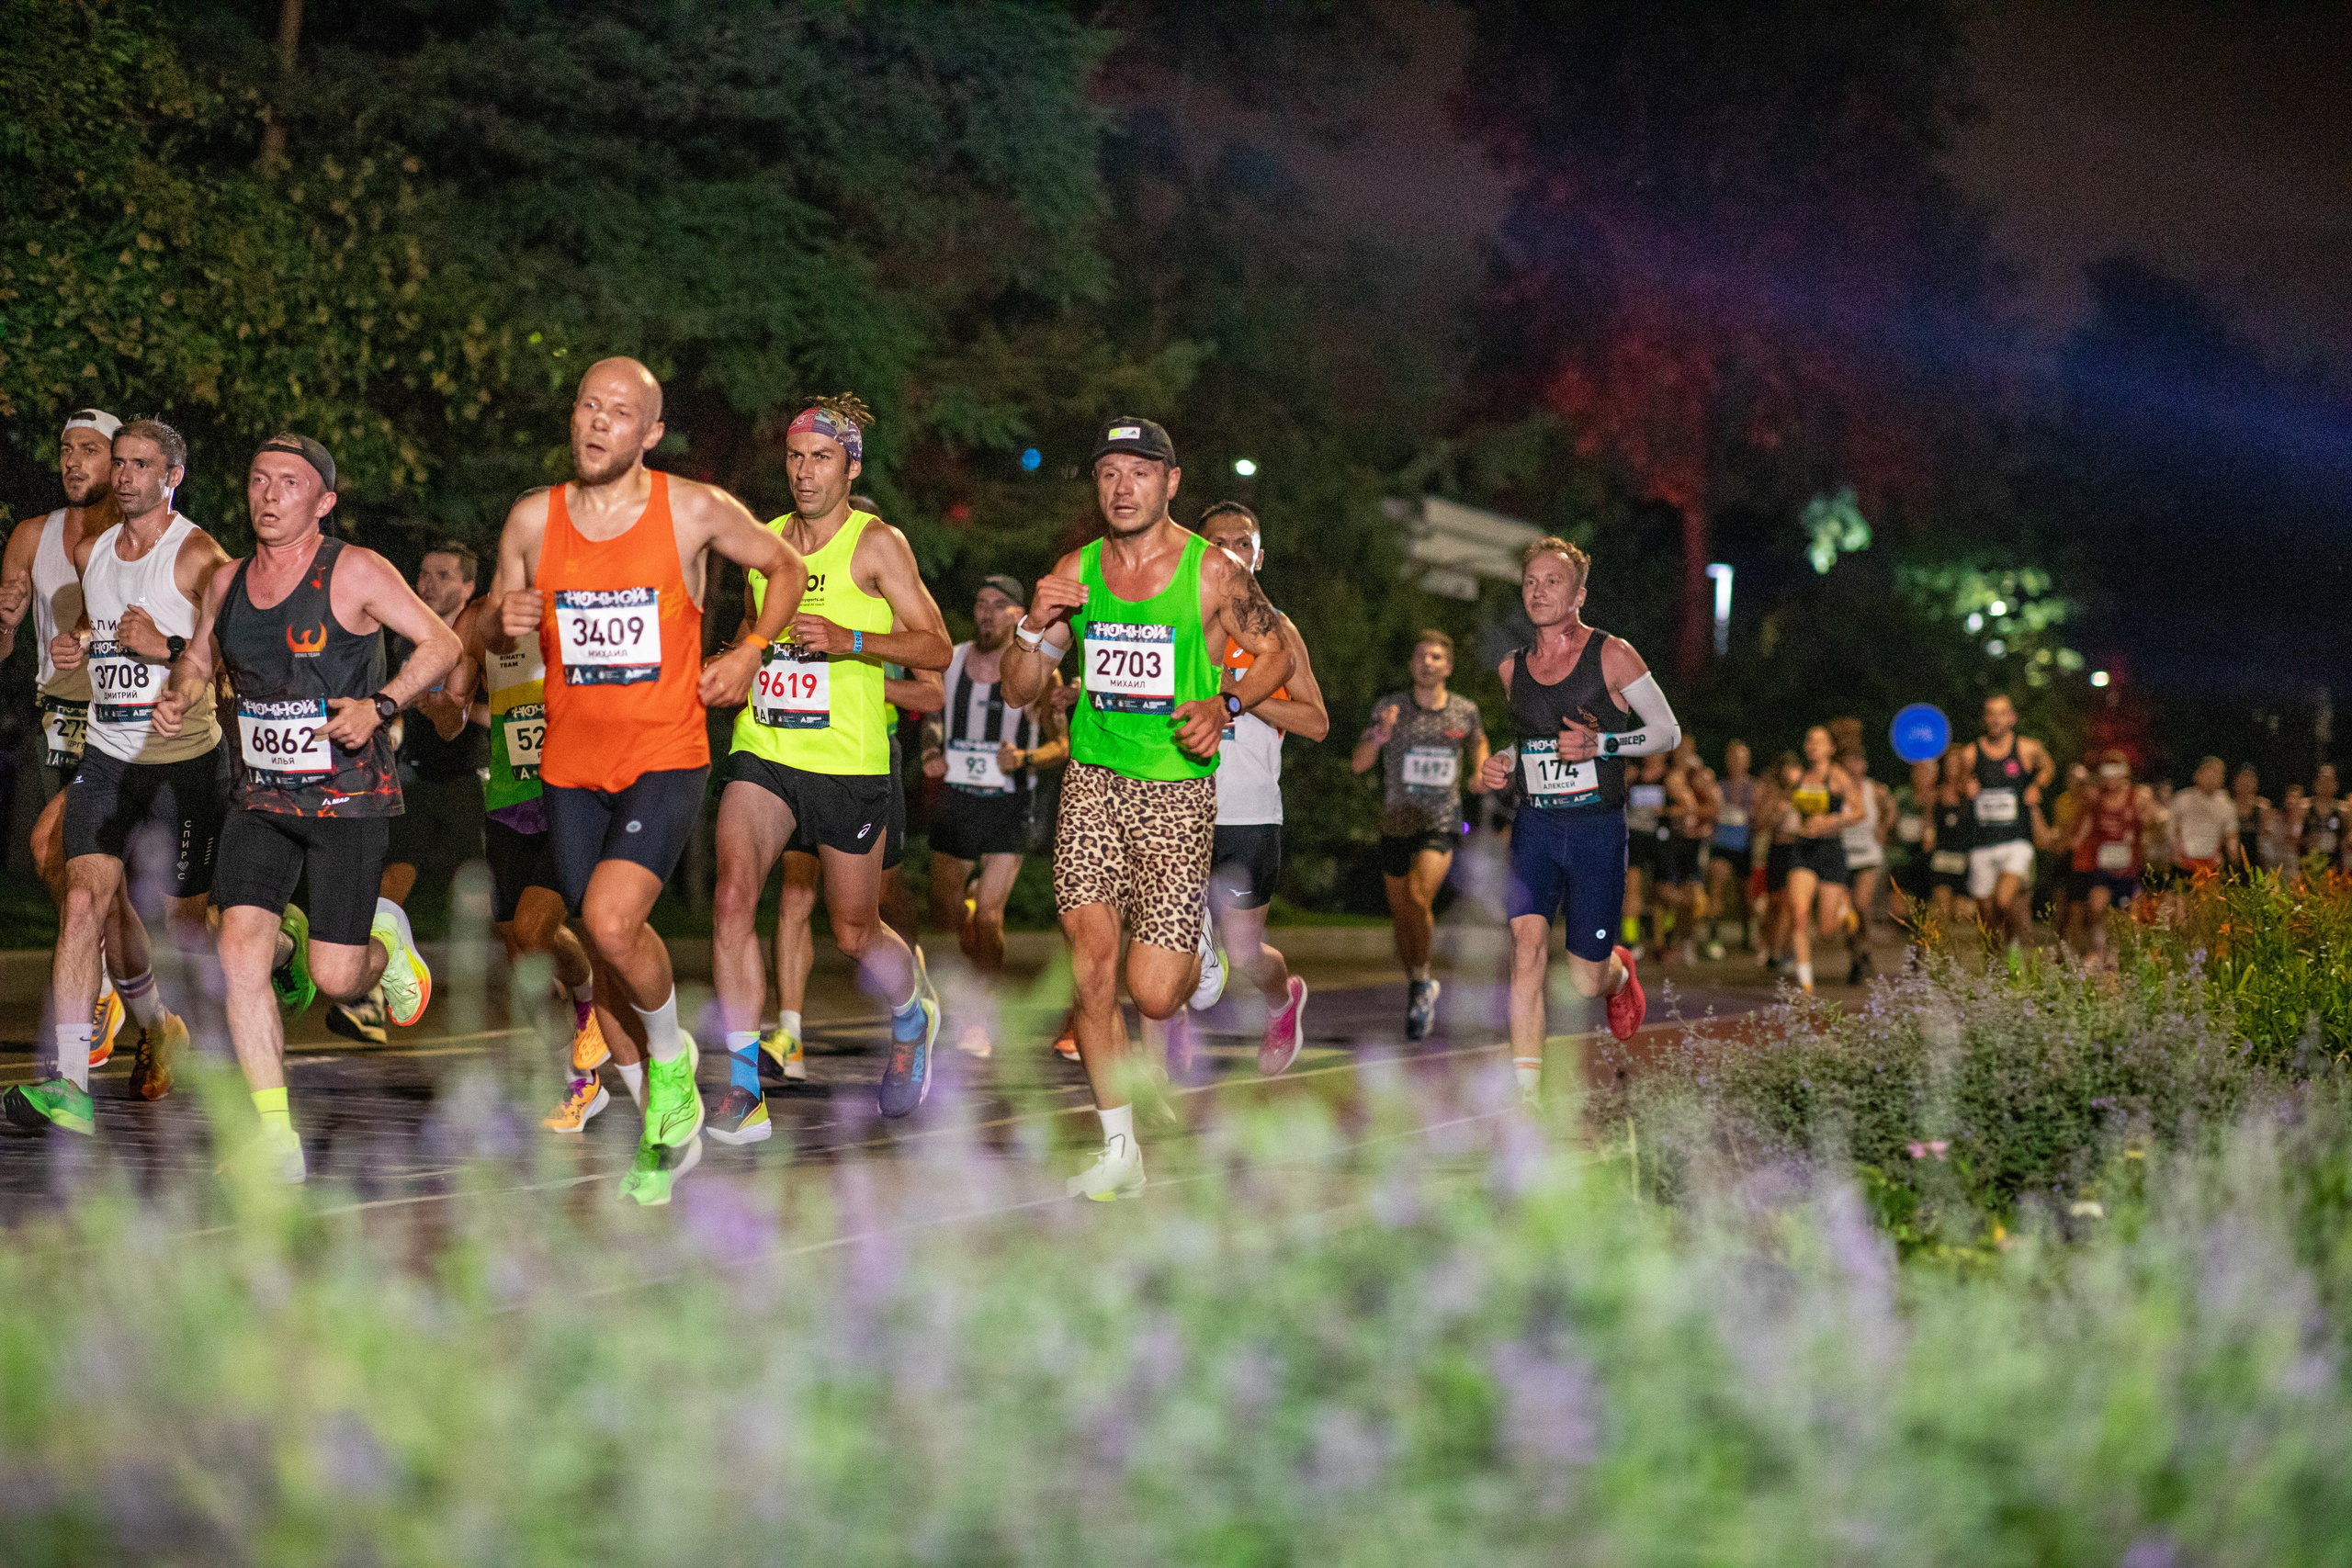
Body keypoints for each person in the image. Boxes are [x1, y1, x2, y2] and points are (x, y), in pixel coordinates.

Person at [489, 358, 802, 1204]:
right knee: (600, 948)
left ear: (650, 433)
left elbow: (786, 568)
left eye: (620, 412)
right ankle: (665, 1134)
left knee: (609, 917)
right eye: (589, 405)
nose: (598, 423)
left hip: (665, 752)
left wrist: (746, 652)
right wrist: (501, 618)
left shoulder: (691, 508)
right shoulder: (531, 518)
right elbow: (492, 623)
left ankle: (672, 1059)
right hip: (568, 763)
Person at [1000, 415, 1293, 1200]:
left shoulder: (1211, 573)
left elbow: (1277, 654)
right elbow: (1020, 690)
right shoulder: (1078, 570)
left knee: (1156, 991)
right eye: (1107, 473)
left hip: (1176, 790)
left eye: (1138, 472)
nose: (1121, 487)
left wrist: (1224, 705)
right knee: (1092, 970)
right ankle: (1118, 1148)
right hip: (1093, 780)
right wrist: (1034, 622)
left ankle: (1202, 952)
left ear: (1170, 482)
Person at [150, 433, 456, 1180]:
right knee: (238, 948)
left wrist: (381, 704)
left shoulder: (354, 570)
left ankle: (386, 942)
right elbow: (200, 656)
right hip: (260, 796)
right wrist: (183, 688)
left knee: (337, 979)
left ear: (323, 501)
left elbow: (441, 642)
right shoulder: (224, 582)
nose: (269, 493)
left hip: (346, 799)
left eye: (289, 482)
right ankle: (274, 1137)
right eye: (259, 479)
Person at [707, 396, 949, 1147]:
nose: (805, 472)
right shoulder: (764, 542)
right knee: (733, 896)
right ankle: (744, 1089)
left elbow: (938, 648)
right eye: (795, 457)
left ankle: (914, 1018)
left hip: (848, 762)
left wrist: (852, 638)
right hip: (768, 749)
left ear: (851, 467)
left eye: (821, 458)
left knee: (852, 931)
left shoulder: (876, 545)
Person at [2, 418, 227, 1136]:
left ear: (173, 476)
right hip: (106, 759)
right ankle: (69, 1082)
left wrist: (170, 654)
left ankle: (278, 945)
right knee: (81, 902)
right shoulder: (96, 553)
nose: (125, 475)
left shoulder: (198, 555)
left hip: (183, 764)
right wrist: (79, 647)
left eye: (141, 464)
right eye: (120, 463)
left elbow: (233, 656)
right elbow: (106, 650)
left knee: (189, 925)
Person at [1473, 536, 1668, 1100]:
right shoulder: (1513, 668)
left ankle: (1619, 975)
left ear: (1579, 594)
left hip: (1595, 830)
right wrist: (1503, 763)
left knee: (1585, 979)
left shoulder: (1612, 654)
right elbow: (1528, 742)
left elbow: (1666, 730)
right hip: (1535, 826)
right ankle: (1526, 1098)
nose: (1538, 591)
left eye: (1552, 582)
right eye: (1530, 581)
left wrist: (1603, 744)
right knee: (1527, 949)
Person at [428, 590, 623, 1134]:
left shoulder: (585, 606)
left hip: (574, 797)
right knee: (518, 947)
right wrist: (441, 705)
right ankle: (577, 1082)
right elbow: (452, 718)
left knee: (537, 929)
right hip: (511, 799)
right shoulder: (480, 619)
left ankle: (588, 1011)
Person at [0, 409, 130, 1070]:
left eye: (89, 449)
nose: (73, 460)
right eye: (65, 449)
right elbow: (5, 637)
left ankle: (105, 991)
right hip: (62, 720)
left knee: (55, 845)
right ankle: (118, 986)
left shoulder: (137, 535)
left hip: (125, 722)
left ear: (117, 461)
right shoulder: (31, 534)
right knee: (69, 868)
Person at [1182, 502, 1328, 1076]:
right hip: (1178, 801)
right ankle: (1169, 1041)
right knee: (1167, 943)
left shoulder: (1279, 630)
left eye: (1241, 542)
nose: (1228, 552)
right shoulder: (1176, 623)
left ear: (1259, 557)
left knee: (1242, 954)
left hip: (1248, 811)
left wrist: (1236, 692)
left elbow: (1316, 722)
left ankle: (1280, 998)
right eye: (1215, 542)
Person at [324, 539, 485, 1045]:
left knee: (499, 905)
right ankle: (369, 994)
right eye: (423, 572)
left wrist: (438, 704)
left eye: (443, 574)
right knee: (394, 870)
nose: (428, 582)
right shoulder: (403, 637)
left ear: (468, 587)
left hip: (477, 775)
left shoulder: (482, 634)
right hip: (415, 773)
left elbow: (503, 711)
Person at [921, 575, 1068, 1055]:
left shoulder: (1040, 669)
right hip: (958, 800)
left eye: (999, 605)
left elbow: (1064, 745)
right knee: (947, 907)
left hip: (1009, 802)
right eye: (980, 603)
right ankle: (974, 967)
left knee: (988, 915)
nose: (986, 612)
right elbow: (932, 715)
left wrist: (1025, 758)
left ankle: (981, 1009)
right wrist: (930, 752)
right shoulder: (954, 658)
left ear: (1019, 614)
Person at [1352, 629, 1487, 1042]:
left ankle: (1422, 982)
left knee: (1416, 895)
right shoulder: (1389, 708)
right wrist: (1379, 735)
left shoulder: (1464, 711)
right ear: (1412, 664)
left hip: (1441, 821)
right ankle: (1419, 981)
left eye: (1436, 657)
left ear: (1448, 667)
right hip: (1396, 822)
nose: (1427, 663)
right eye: (1421, 656)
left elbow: (1479, 744)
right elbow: (1359, 764)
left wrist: (1481, 770)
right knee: (1403, 912)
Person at [1958, 694, 2053, 953]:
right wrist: (1966, 787)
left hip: (2016, 839)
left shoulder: (2026, 748)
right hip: (1983, 842)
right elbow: (1958, 784)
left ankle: (2012, 949)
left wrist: (2036, 785)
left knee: (2004, 901)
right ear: (1985, 718)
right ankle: (1992, 967)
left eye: (2001, 713)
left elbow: (2048, 767)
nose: (1996, 719)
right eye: (1991, 713)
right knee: (1987, 914)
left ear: (2012, 718)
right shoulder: (1970, 753)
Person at [1782, 727, 1864, 994]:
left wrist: (1831, 820)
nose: (1813, 746)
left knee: (1826, 929)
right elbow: (1790, 812)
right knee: (1800, 913)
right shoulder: (1798, 777)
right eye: (1809, 740)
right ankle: (1805, 984)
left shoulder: (1837, 776)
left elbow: (1860, 812)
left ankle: (1842, 910)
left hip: (1830, 850)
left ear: (1830, 748)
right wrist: (1787, 818)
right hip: (1803, 850)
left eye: (1819, 742)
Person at [2072, 750, 2153, 964]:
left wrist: (2152, 819)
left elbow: (2156, 820)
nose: (2111, 777)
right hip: (2103, 866)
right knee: (2096, 908)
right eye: (2107, 770)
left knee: (2128, 917)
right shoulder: (2096, 797)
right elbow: (2082, 824)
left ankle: (2118, 958)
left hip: (2130, 868)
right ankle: (2097, 952)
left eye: (2116, 770)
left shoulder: (2138, 796)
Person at [1658, 736, 1716, 964]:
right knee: (1667, 894)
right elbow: (1659, 809)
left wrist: (1691, 808)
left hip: (1694, 843)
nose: (1684, 754)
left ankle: (1687, 943)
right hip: (1671, 842)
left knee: (1691, 896)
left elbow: (1713, 809)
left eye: (1688, 750)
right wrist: (1679, 810)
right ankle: (1667, 942)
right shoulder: (1668, 777)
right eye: (1679, 749)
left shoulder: (1701, 777)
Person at [1836, 746, 1892, 982]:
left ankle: (1865, 947)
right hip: (1842, 855)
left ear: (1864, 765)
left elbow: (1890, 809)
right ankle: (1855, 957)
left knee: (1861, 905)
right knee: (1845, 914)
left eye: (1857, 762)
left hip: (1868, 855)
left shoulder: (1875, 790)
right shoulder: (1837, 789)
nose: (1853, 768)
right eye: (1848, 763)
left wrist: (1884, 827)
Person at [1703, 739, 1755, 956]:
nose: (1736, 763)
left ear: (1748, 761)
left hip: (1744, 847)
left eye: (1740, 758)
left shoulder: (1755, 787)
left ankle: (1748, 936)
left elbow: (1758, 817)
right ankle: (1714, 937)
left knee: (1746, 897)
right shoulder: (1719, 787)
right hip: (1721, 845)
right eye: (1732, 758)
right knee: (1716, 889)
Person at [1921, 747, 1976, 930]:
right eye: (1948, 764)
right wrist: (1928, 838)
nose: (1951, 768)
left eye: (1955, 764)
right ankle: (1941, 948)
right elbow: (1929, 821)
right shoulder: (1936, 792)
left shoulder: (1970, 792)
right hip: (1942, 853)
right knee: (1941, 908)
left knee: (1961, 913)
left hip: (1964, 853)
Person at [1620, 752, 1668, 955]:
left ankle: (1664, 938)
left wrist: (1667, 811)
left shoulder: (1671, 777)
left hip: (1661, 838)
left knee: (1663, 891)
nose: (1652, 755)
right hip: (1635, 835)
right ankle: (1630, 939)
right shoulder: (1633, 775)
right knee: (1632, 890)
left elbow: (1687, 804)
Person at [2170, 756, 2237, 879]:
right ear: (2197, 775)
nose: (2212, 777)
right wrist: (2173, 852)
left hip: (2212, 864)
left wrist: (2234, 858)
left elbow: (2230, 835)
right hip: (2184, 863)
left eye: (2217, 773)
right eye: (2209, 772)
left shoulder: (2227, 804)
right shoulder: (2182, 799)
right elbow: (2172, 830)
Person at [2301, 763, 2344, 878]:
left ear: (2336, 785)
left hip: (2334, 867)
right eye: (2322, 780)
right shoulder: (2304, 808)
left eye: (2329, 780)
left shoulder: (2343, 811)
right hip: (2309, 864)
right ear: (2315, 784)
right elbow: (2292, 839)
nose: (2325, 784)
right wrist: (2306, 841)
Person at [2229, 764, 2267, 875]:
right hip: (2230, 861)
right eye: (2242, 779)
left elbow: (2266, 838)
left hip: (2254, 861)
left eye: (2250, 779)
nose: (2246, 783)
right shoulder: (2227, 806)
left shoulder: (2262, 808)